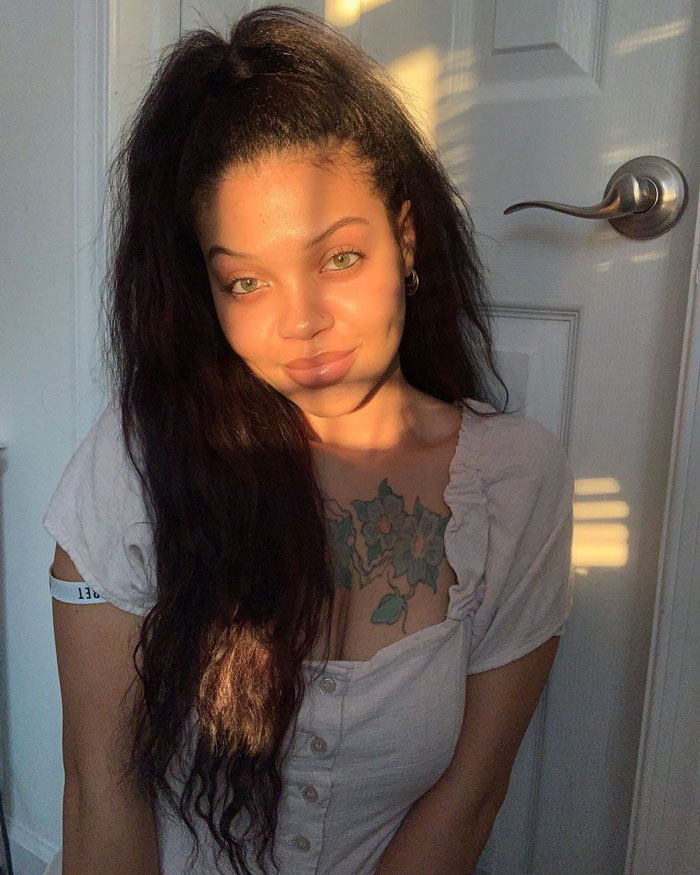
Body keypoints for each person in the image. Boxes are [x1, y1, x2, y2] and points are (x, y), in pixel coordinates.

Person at [42, 5, 575, 874]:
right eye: (247, 282)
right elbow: (101, 787)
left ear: (405, 239)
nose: (303, 323)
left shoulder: (516, 480)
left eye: (338, 258)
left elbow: (470, 795)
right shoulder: (138, 459)